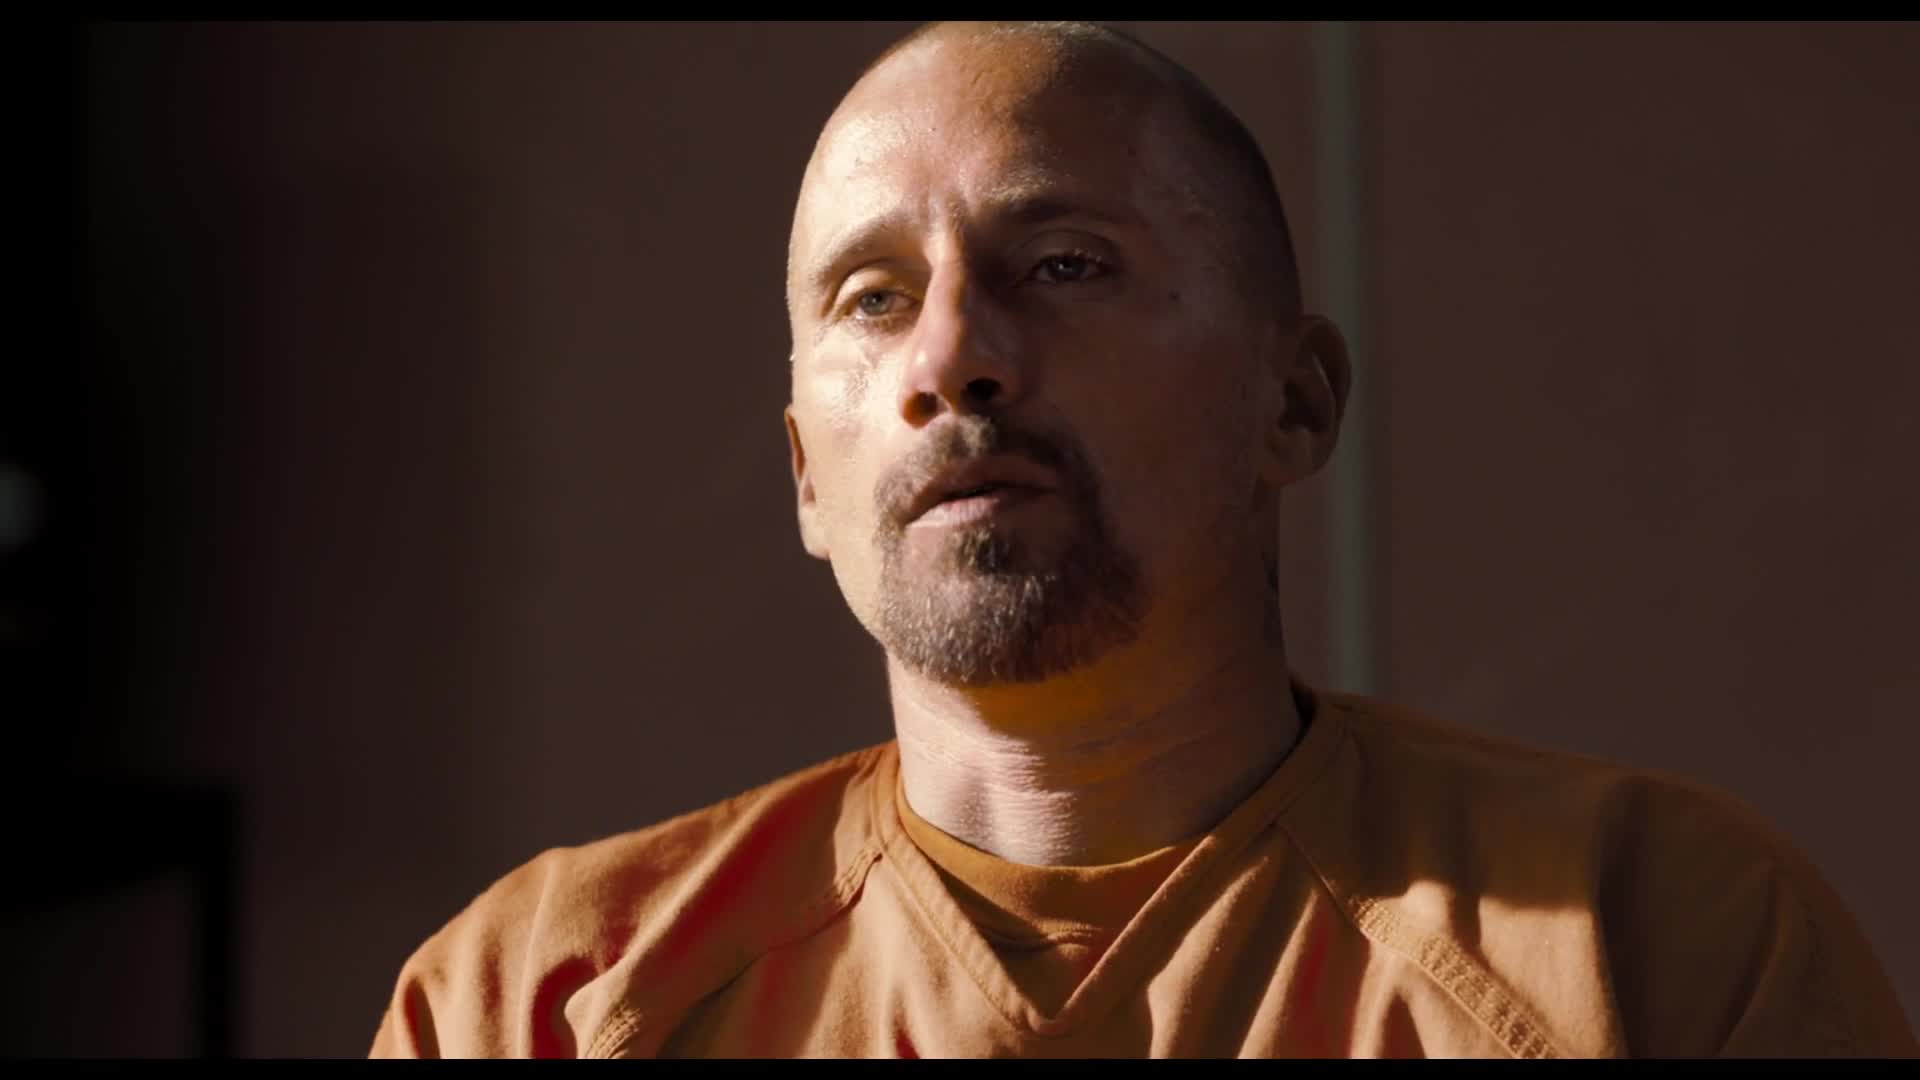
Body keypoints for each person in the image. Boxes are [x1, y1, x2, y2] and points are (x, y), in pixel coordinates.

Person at [367, 21, 1916, 1058]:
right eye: (873, 297)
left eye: (1062, 263)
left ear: (1292, 403)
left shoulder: (1657, 947)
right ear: (805, 483)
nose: (951, 358)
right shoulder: (540, 1004)